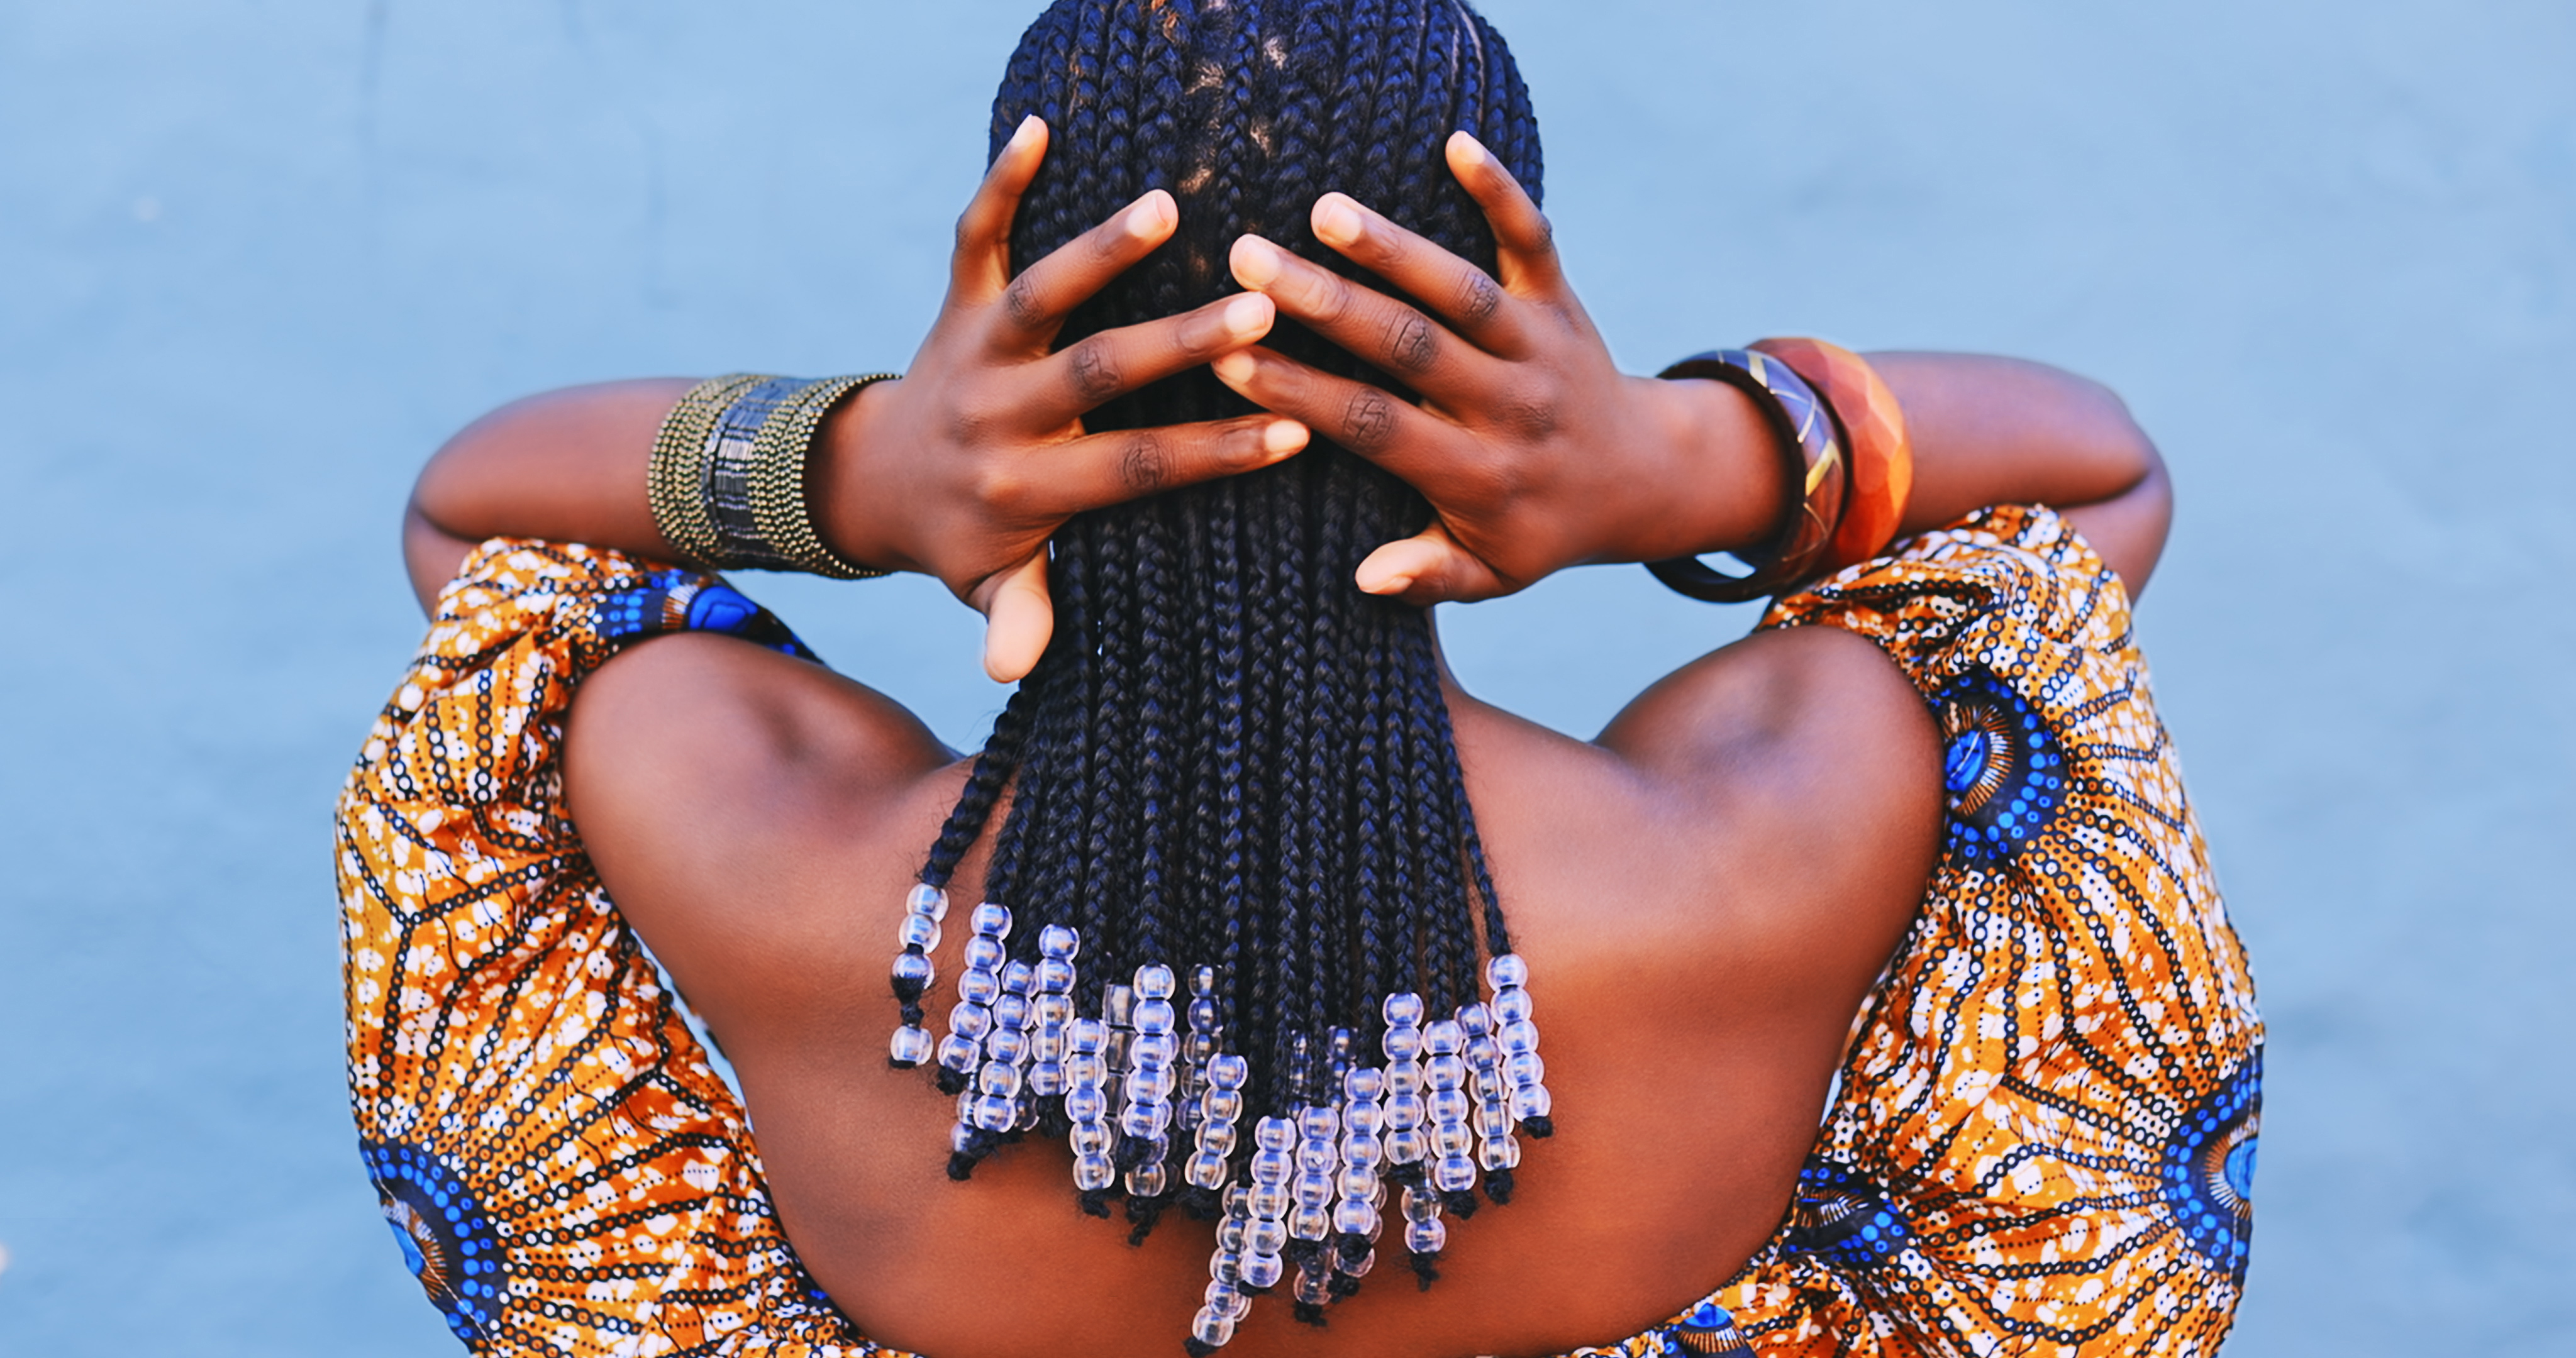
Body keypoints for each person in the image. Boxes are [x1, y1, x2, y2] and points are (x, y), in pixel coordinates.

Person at [336, 3, 2261, 1355]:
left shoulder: (771, 861)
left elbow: (479, 531)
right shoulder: (1771, 843)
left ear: (1005, 311)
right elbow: (2099, 475)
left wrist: (867, 470)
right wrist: (1678, 461)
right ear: (1506, 338)